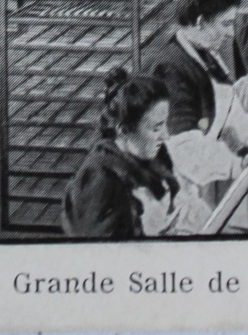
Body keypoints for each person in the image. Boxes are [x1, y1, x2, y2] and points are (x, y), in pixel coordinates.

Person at [144, 0, 248, 230]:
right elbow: (185, 150)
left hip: (201, 175)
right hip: (168, 187)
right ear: (201, 22)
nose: (231, 33)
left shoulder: (205, 55)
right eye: (225, 24)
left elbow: (231, 110)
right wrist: (238, 165)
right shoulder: (171, 68)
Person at [61, 69, 181, 239]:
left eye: (165, 124)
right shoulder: (99, 181)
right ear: (124, 130)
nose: (166, 135)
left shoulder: (155, 155)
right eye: (156, 128)